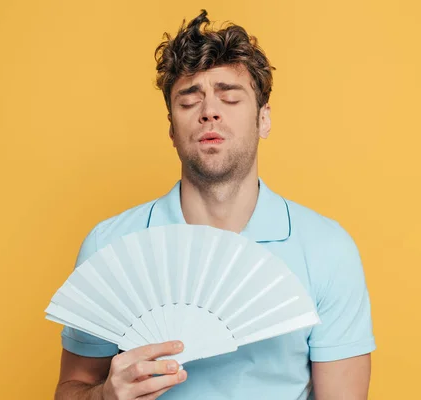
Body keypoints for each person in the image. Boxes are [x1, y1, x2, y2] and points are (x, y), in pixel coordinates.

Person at [54, 9, 376, 400]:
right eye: (189, 101)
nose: (209, 110)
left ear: (264, 120)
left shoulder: (327, 250)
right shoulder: (109, 247)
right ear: (172, 129)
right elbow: (71, 389)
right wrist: (105, 395)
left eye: (229, 97)